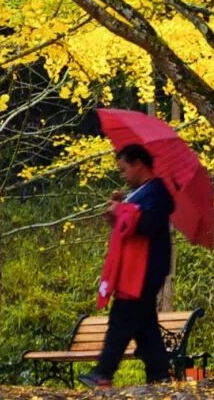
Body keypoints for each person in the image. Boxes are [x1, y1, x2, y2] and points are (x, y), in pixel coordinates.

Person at [79, 143, 173, 387]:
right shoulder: (140, 192)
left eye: (124, 169)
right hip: (137, 267)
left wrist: (121, 211)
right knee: (144, 322)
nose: (122, 176)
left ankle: (103, 372)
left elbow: (148, 224)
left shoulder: (157, 192)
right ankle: (159, 373)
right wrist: (117, 214)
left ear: (138, 163)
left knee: (122, 317)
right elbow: (129, 227)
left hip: (145, 268)